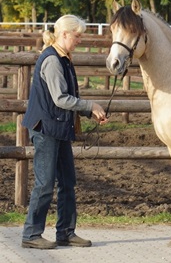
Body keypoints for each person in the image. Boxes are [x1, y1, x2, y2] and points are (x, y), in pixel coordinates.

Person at [21, 15, 108, 249]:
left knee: (67, 181)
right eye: (77, 36)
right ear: (65, 34)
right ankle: (31, 234)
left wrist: (90, 113)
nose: (79, 40)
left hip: (58, 127)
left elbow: (67, 99)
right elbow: (60, 99)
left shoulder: (64, 58)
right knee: (45, 183)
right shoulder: (51, 60)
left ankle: (66, 232)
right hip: (47, 128)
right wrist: (90, 106)